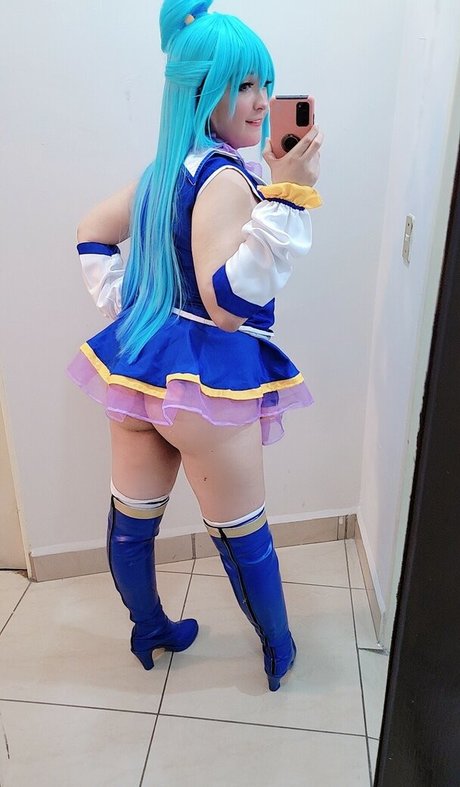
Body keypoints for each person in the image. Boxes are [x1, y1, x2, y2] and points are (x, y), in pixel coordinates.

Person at [68, 0, 323, 692]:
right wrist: (289, 197)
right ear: (203, 92)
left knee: (132, 522)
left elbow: (92, 232)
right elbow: (228, 306)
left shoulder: (162, 171)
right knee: (244, 534)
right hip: (208, 385)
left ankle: (149, 629)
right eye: (244, 85)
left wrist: (134, 310)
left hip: (140, 373)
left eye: (265, 84)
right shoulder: (228, 179)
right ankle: (278, 648)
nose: (262, 102)